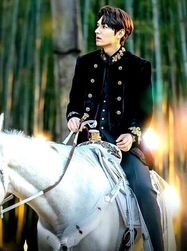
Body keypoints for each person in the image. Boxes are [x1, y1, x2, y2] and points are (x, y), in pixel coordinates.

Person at [66, 5, 164, 251]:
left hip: (122, 146)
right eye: (98, 25)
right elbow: (74, 102)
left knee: (143, 188)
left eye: (104, 26)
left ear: (120, 33)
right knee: (53, 180)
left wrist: (132, 136)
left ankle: (159, 247)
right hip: (86, 143)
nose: (97, 30)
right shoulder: (84, 62)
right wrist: (73, 117)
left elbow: (145, 111)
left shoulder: (139, 66)